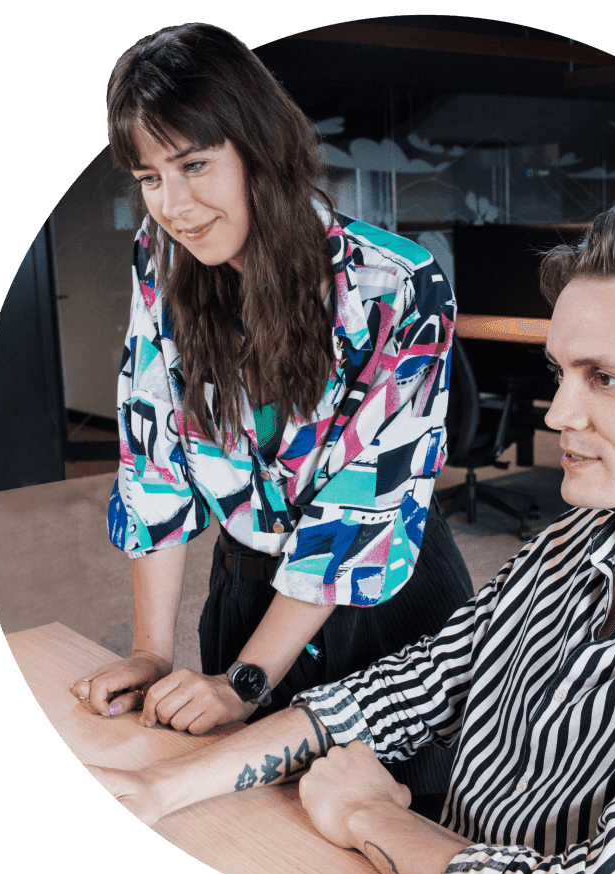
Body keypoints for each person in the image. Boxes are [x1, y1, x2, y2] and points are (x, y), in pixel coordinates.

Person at [90, 200, 615, 874]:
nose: (557, 414)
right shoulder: (568, 544)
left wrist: (368, 815)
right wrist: (155, 790)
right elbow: (403, 691)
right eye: (562, 373)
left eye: (607, 378)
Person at [68, 23, 474, 819]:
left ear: (260, 146)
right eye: (149, 176)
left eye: (193, 164)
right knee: (249, 827)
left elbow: (356, 514)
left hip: (384, 604)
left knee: (392, 824)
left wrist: (245, 682)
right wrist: (153, 654)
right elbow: (152, 458)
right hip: (247, 591)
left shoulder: (398, 286)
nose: (173, 205)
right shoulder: (161, 263)